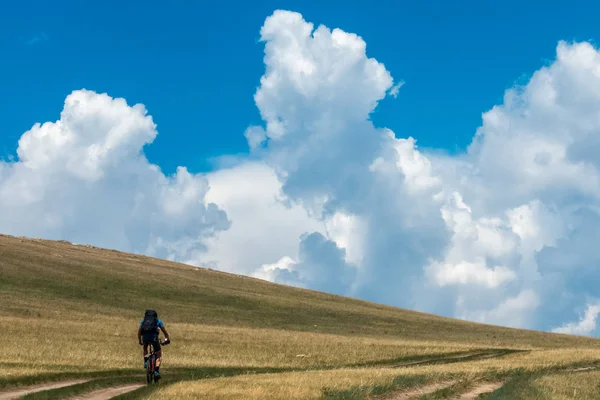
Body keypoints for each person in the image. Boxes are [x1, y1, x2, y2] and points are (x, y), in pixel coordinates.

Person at [138, 309, 170, 380]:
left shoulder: (143, 321)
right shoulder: (158, 321)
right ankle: (156, 371)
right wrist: (167, 338)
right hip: (154, 338)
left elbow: (139, 331)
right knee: (158, 353)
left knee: (145, 347)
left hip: (145, 337)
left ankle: (146, 362)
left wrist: (140, 340)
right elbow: (164, 331)